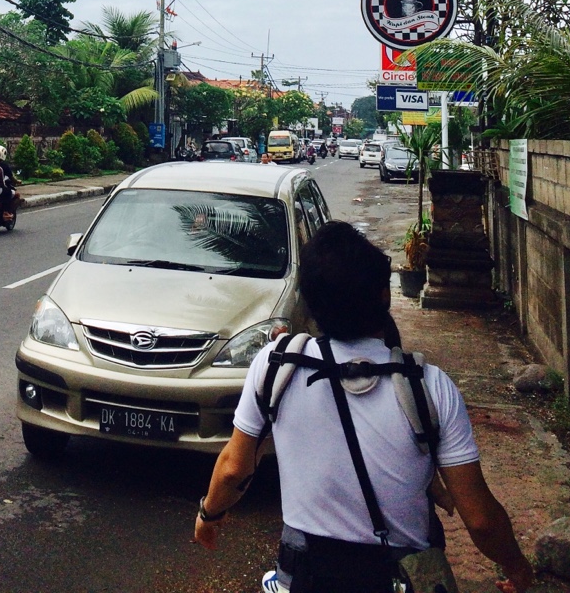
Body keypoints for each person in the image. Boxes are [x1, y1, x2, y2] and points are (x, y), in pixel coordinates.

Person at [193, 221, 533, 593]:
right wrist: (515, 565)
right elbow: (480, 520)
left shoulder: (276, 364)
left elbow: (233, 469)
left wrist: (209, 515)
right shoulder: (430, 384)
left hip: (305, 575)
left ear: (310, 301)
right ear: (384, 297)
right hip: (398, 577)